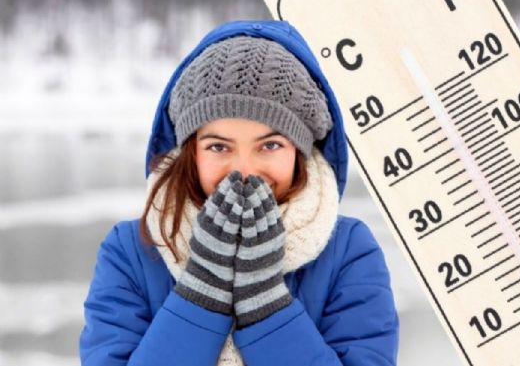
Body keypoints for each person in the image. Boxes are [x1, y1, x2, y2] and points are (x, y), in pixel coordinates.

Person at [78, 20, 399, 366]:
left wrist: (267, 308)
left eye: (270, 145)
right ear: (191, 152)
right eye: (219, 147)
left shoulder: (349, 251)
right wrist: (200, 296)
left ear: (301, 151)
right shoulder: (131, 252)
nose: (243, 171)